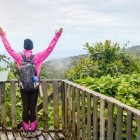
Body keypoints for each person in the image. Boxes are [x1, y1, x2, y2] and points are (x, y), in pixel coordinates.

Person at [0, 27, 63, 138]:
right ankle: (33, 131)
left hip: (23, 87)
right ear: (32, 47)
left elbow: (9, 49)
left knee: (25, 108)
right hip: (34, 87)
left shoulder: (19, 58)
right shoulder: (38, 57)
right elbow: (49, 49)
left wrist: (2, 35)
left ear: (24, 47)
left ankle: (25, 131)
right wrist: (57, 35)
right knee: (32, 108)